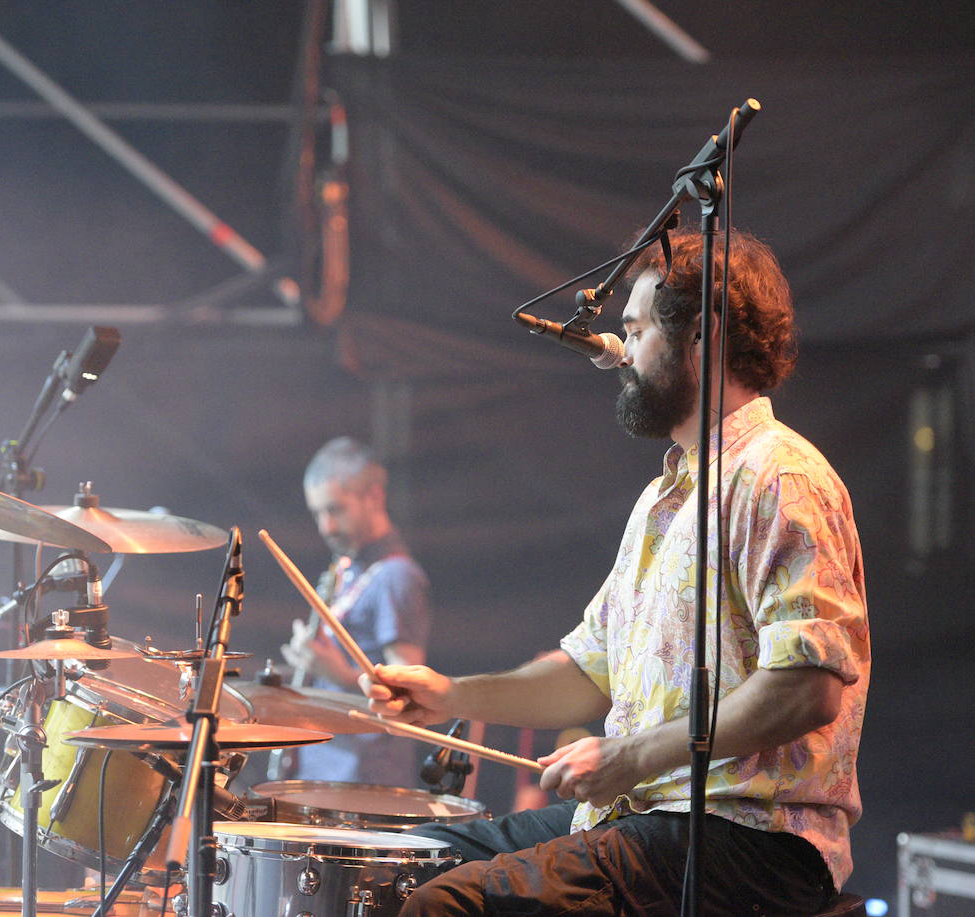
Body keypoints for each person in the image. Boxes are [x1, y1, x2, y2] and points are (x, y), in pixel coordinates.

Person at [362, 228, 870, 916]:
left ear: (703, 336)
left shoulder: (778, 476)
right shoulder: (665, 496)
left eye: (635, 330)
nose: (619, 353)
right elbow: (586, 672)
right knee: (404, 857)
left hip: (748, 840)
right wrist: (450, 695)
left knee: (448, 905)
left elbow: (806, 689)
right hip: (648, 820)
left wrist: (630, 757)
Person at [279, 437, 432, 786]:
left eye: (335, 510)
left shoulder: (397, 576)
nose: (325, 527)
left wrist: (339, 674)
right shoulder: (346, 567)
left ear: (374, 497)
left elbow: (410, 694)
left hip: (365, 777)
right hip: (323, 764)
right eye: (317, 513)